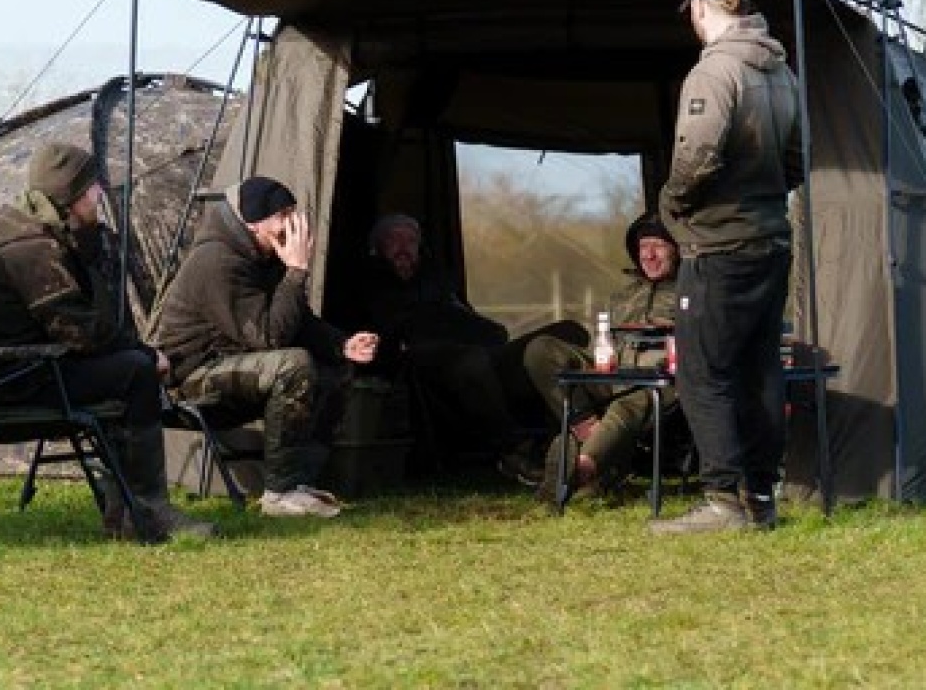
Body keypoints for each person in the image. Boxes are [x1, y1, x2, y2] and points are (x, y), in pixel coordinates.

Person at [0, 142, 216, 542]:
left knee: (122, 370)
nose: (99, 198)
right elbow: (80, 332)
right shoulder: (33, 251)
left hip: (5, 373)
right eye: (93, 192)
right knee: (135, 373)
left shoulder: (34, 237)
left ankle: (126, 513)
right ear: (70, 197)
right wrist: (144, 353)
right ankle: (150, 514)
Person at [649, 0, 804, 535]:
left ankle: (722, 502)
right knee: (761, 368)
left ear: (700, 8)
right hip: (771, 239)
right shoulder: (782, 69)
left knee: (703, 371)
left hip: (719, 246)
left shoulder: (714, 72)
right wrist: (765, 199)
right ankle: (762, 499)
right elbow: (798, 159)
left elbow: (698, 156)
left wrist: (672, 204)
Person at [150, 177, 380, 518]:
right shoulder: (218, 260)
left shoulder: (261, 254)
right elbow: (270, 337)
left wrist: (341, 344)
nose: (292, 223)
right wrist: (297, 271)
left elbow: (296, 320)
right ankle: (280, 493)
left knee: (334, 371)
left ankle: (300, 481)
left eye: (292, 212)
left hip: (235, 365)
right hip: (190, 380)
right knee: (293, 364)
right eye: (282, 215)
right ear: (254, 223)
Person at [358, 213, 576, 484]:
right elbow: (392, 337)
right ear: (377, 247)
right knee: (472, 360)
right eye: (394, 240)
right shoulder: (368, 285)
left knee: (568, 332)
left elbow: (485, 328)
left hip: (483, 356)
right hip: (429, 364)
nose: (404, 248)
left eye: (411, 241)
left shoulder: (438, 281)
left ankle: (577, 439)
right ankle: (514, 451)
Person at [537, 213, 683, 503]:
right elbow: (601, 344)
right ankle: (583, 427)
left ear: (677, 249)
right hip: (611, 374)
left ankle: (582, 469)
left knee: (629, 403)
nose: (649, 255)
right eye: (643, 247)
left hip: (661, 382)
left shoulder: (692, 292)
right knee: (542, 350)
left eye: (658, 246)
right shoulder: (622, 297)